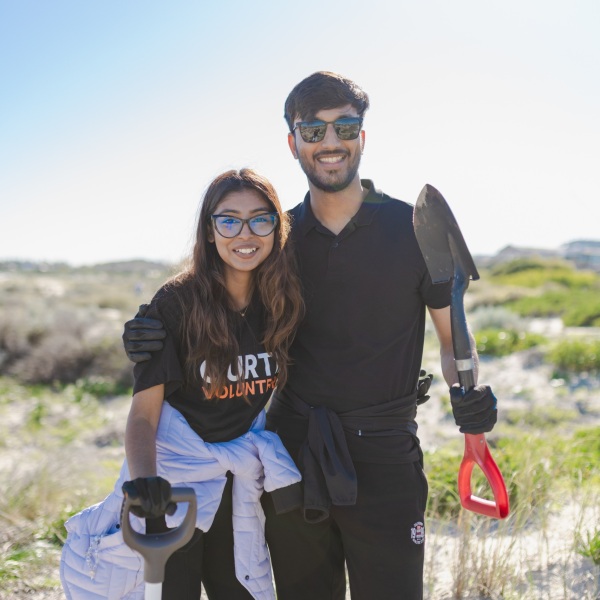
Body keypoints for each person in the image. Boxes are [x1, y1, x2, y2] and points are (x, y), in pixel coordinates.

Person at [122, 72, 497, 600]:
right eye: (312, 130)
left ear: (362, 137)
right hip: (292, 457)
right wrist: (148, 331)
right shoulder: (280, 239)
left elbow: (453, 335)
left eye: (345, 126)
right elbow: (217, 300)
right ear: (293, 142)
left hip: (387, 452)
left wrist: (470, 393)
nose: (330, 142)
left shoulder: (413, 229)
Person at [61, 168, 305, 600]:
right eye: (229, 220)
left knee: (240, 591)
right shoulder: (176, 304)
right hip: (172, 479)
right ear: (210, 231)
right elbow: (143, 416)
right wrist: (145, 484)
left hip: (234, 477)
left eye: (260, 219)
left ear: (276, 228)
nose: (244, 233)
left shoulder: (282, 302)